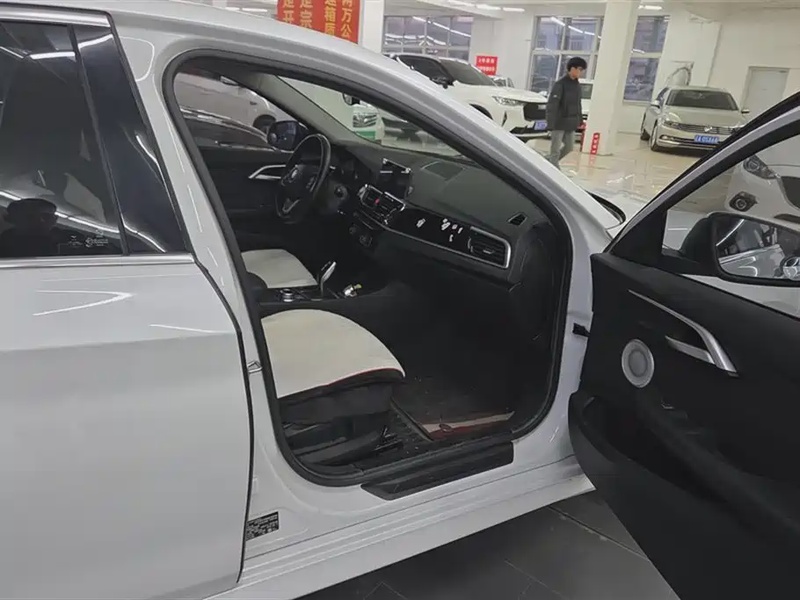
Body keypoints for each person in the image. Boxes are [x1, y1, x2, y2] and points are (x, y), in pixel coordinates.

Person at [546, 57, 587, 168]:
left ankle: (548, 161)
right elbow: (552, 105)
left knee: (569, 148)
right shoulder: (560, 84)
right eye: (580, 69)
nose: (581, 72)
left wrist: (580, 120)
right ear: (572, 68)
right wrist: (550, 123)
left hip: (571, 123)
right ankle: (553, 168)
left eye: (582, 70)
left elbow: (578, 104)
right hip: (559, 122)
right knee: (555, 150)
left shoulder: (577, 86)